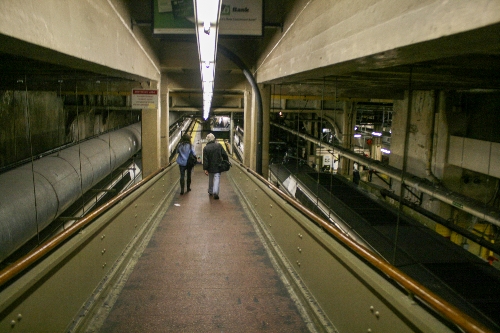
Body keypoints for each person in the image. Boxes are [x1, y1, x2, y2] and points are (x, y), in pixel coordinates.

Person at [203, 133, 228, 200]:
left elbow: (205, 160)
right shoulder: (218, 145)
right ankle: (215, 192)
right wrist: (226, 161)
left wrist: (205, 168)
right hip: (218, 165)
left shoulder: (206, 148)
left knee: (210, 178)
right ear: (214, 139)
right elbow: (224, 154)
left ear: (207, 140)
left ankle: (210, 191)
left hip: (210, 166)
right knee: (217, 178)